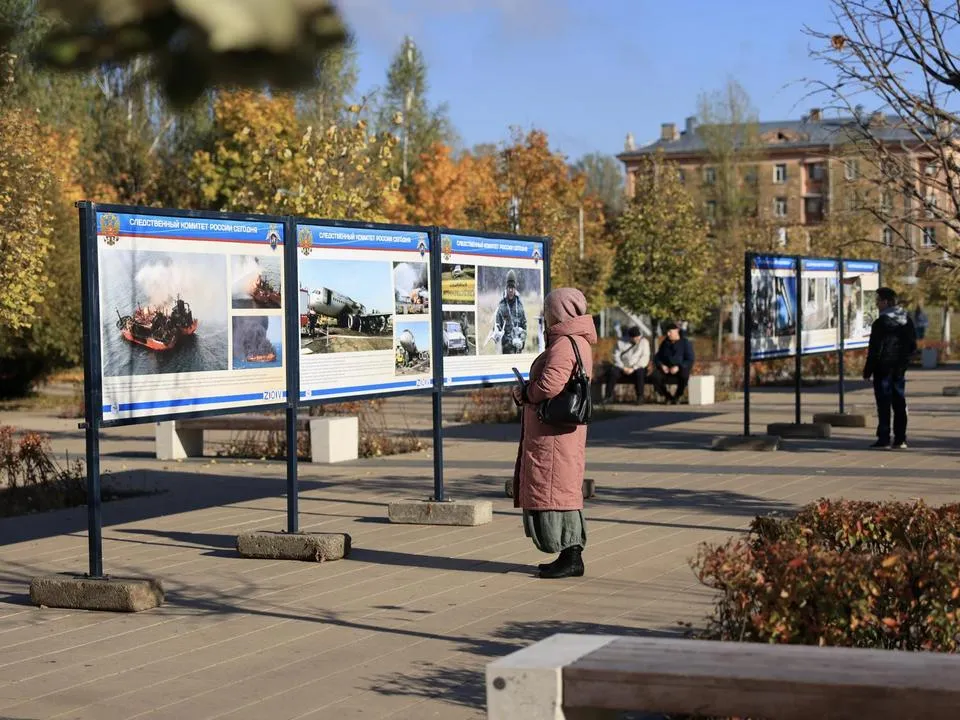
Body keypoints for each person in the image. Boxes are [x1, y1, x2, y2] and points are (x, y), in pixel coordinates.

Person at [511, 287, 596, 579]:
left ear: (558, 311)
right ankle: (568, 555)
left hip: (554, 434)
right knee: (561, 488)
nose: (545, 314)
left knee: (555, 490)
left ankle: (571, 556)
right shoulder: (577, 340)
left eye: (548, 309)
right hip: (561, 431)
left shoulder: (564, 343)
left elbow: (550, 384)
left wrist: (526, 393)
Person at [863, 287, 917, 449]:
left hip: (883, 368)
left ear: (886, 302)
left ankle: (884, 438)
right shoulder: (907, 320)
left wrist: (868, 370)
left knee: (883, 403)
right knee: (899, 401)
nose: (876, 304)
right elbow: (913, 346)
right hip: (899, 369)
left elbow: (875, 349)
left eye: (878, 301)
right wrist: (904, 362)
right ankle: (900, 439)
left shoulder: (881, 323)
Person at [649, 322, 695, 404]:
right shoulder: (665, 343)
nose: (668, 334)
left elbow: (690, 359)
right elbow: (657, 357)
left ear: (676, 331)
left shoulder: (685, 343)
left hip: (679, 369)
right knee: (654, 376)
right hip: (666, 369)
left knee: (684, 375)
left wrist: (678, 367)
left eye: (670, 332)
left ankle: (677, 396)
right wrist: (662, 365)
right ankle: (668, 396)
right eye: (667, 332)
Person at [604, 326, 650, 404]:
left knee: (640, 373)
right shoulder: (621, 342)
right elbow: (615, 356)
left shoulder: (644, 342)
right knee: (613, 373)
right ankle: (608, 397)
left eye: (638, 337)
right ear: (630, 337)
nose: (637, 339)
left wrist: (633, 368)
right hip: (622, 367)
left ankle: (640, 397)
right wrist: (623, 367)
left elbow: (644, 358)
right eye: (635, 338)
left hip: (637, 367)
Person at [495, 270, 528, 354]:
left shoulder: (519, 305)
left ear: (515, 289)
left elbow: (524, 325)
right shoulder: (502, 306)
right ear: (506, 288)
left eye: (512, 288)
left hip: (518, 347)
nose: (510, 290)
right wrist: (498, 334)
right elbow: (497, 326)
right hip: (507, 349)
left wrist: (522, 342)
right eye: (509, 287)